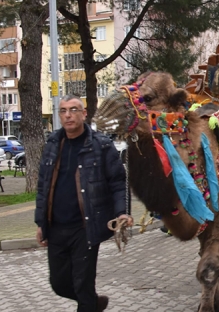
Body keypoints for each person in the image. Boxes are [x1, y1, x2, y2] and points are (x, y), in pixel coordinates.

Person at [35, 95, 132, 311]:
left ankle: (88, 302)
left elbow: (118, 182)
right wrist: (41, 223)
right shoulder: (52, 143)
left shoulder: (101, 144)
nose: (68, 115)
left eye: (73, 110)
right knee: (59, 284)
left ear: (84, 113)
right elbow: (43, 185)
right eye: (63, 111)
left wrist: (122, 213)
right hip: (57, 227)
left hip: (86, 227)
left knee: (83, 283)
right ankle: (93, 303)